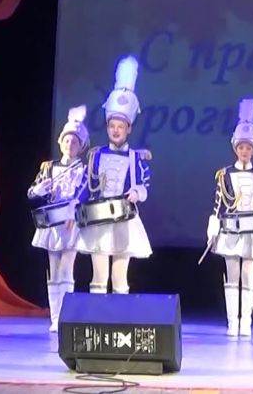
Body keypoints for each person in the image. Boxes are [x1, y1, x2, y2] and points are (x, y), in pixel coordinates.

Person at [76, 56, 153, 294]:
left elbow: (144, 184)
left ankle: (120, 314)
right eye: (112, 126)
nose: (116, 130)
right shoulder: (96, 155)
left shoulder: (136, 157)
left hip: (124, 219)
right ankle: (97, 314)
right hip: (99, 218)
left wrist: (137, 192)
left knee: (120, 278)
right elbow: (86, 185)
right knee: (98, 277)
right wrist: (75, 208)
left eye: (120, 126)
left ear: (129, 128)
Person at [206, 98, 253, 337]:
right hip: (231, 231)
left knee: (248, 276)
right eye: (241, 147)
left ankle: (246, 321)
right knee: (232, 276)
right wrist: (213, 227)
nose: (244, 151)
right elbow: (218, 204)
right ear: (235, 148)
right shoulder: (224, 174)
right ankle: (231, 322)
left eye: (248, 148)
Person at [28, 105, 89, 331]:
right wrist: (40, 189)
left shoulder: (84, 169)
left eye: (75, 142)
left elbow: (84, 193)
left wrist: (74, 208)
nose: (70, 145)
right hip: (51, 223)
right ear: (60, 143)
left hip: (71, 222)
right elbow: (31, 192)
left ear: (81, 147)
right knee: (53, 271)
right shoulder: (49, 167)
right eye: (67, 141)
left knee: (66, 269)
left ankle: (66, 315)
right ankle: (55, 317)